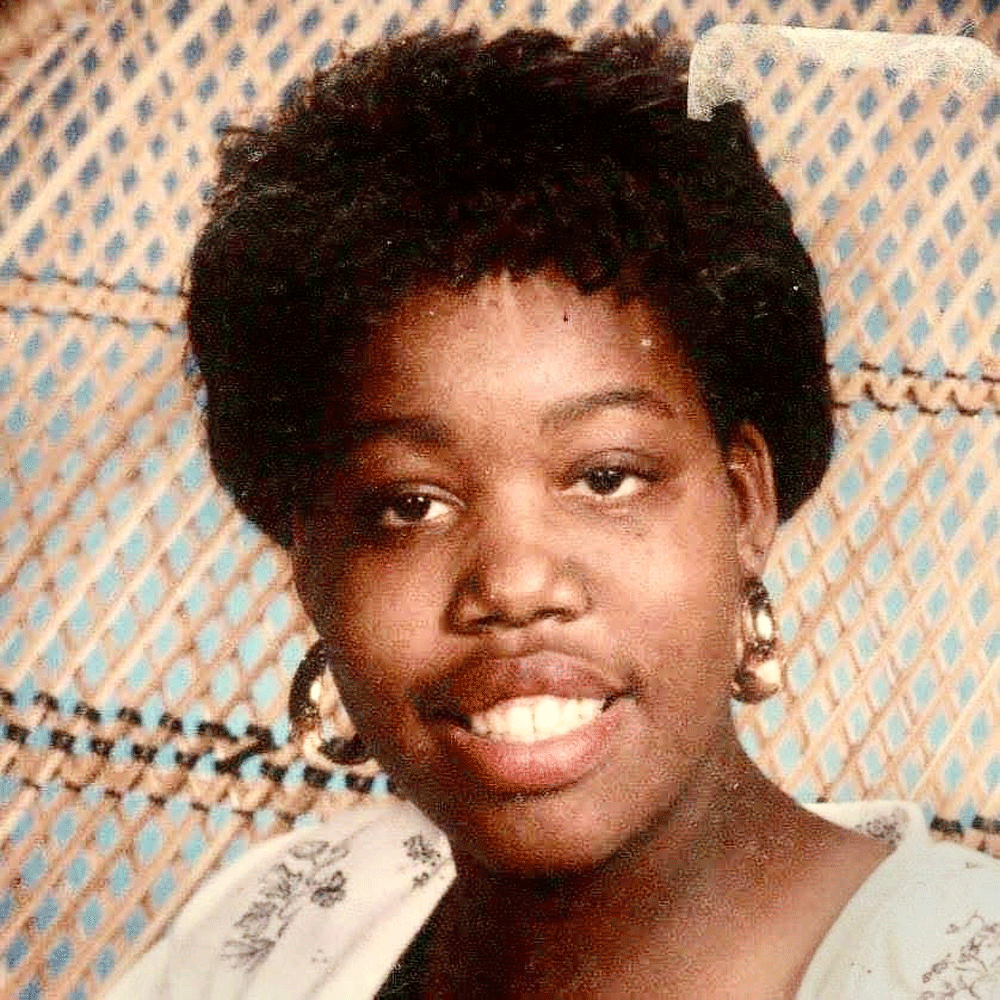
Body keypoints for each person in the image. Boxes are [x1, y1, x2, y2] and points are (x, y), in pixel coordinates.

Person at [106, 26, 1000, 1000]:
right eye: (411, 503)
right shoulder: (281, 934)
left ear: (743, 502)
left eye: (605, 477)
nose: (515, 584)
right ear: (307, 559)